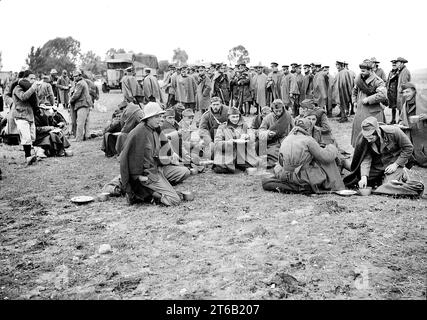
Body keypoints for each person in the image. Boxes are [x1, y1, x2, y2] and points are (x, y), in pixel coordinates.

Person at [120, 102, 190, 206]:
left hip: (158, 168)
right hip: (147, 175)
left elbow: (165, 143)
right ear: (148, 118)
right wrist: (139, 177)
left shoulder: (155, 128)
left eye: (161, 116)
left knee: (184, 171)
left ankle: (161, 186)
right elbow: (126, 160)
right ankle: (150, 194)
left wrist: (172, 154)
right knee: (174, 200)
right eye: (157, 116)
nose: (161, 119)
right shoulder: (137, 133)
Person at [262, 117, 345, 194]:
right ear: (308, 129)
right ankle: (301, 187)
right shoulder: (308, 140)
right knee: (326, 164)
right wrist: (332, 147)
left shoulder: (287, 138)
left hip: (283, 173)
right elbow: (326, 157)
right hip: (300, 176)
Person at [343, 117, 420, 196]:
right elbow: (366, 159)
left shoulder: (394, 132)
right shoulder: (365, 139)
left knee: (388, 187)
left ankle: (401, 173)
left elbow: (408, 147)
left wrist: (396, 164)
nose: (368, 141)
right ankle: (382, 178)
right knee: (356, 180)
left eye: (371, 138)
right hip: (378, 165)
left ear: (377, 132)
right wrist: (364, 176)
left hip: (393, 164)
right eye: (367, 138)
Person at [350, 59, 387, 147]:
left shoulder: (378, 81)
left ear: (370, 70)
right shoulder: (359, 80)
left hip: (373, 113)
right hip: (360, 112)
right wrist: (354, 102)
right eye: (361, 71)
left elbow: (383, 95)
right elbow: (354, 91)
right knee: (359, 137)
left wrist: (368, 99)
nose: (361, 73)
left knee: (373, 137)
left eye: (363, 71)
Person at [212, 107, 260, 173]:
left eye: (237, 117)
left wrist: (247, 136)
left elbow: (252, 136)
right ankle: (231, 165)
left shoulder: (244, 125)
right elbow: (217, 144)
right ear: (228, 117)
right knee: (221, 169)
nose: (235, 119)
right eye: (233, 117)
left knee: (252, 165)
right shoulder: (222, 127)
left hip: (242, 154)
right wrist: (229, 142)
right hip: (227, 154)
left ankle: (238, 164)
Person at [11, 70, 39, 164]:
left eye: (34, 79)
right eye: (31, 78)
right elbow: (23, 97)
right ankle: (28, 157)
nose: (33, 80)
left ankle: (32, 155)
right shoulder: (17, 88)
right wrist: (32, 89)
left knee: (32, 137)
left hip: (30, 116)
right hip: (21, 116)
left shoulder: (31, 88)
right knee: (26, 138)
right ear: (25, 78)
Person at [258, 99, 293, 168]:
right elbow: (261, 131)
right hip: (273, 142)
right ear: (272, 109)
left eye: (280, 110)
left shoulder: (288, 117)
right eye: (276, 111)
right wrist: (268, 133)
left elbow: (294, 129)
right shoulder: (267, 118)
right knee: (273, 153)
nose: (278, 112)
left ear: (283, 108)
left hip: (286, 140)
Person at [399, 82, 427, 167]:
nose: (405, 94)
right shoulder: (405, 104)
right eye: (403, 92)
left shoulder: (424, 99)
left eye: (408, 92)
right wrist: (401, 123)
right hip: (412, 132)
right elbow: (401, 118)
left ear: (414, 91)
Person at [70, 69, 92, 142]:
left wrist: (70, 101)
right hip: (86, 104)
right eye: (74, 77)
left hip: (82, 104)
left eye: (75, 76)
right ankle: (87, 136)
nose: (74, 78)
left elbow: (76, 95)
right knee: (86, 122)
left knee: (80, 122)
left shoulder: (80, 84)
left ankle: (79, 138)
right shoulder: (83, 82)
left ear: (79, 76)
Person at [386, 59, 400, 124]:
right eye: (392, 65)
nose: (393, 66)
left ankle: (400, 120)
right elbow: (388, 81)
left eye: (395, 65)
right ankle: (393, 119)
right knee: (392, 107)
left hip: (396, 92)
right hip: (391, 92)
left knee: (399, 106)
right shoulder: (391, 72)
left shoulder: (399, 72)